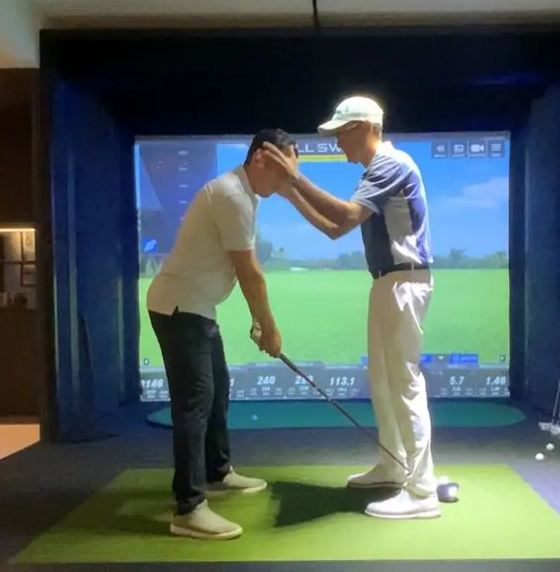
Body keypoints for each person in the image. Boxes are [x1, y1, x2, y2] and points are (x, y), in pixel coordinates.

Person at [261, 96, 440, 520]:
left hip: (404, 281)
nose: (338, 140)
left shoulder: (391, 164)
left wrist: (294, 178)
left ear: (364, 127)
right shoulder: (373, 171)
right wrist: (290, 191)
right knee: (381, 379)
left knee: (404, 383)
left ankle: (422, 491)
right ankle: (393, 465)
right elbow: (335, 229)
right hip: (387, 282)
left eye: (342, 132)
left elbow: (343, 213)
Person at [145, 128, 297, 540]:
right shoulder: (232, 195)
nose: (285, 183)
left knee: (218, 390)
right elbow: (251, 274)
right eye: (282, 172)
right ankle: (189, 507)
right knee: (195, 401)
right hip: (179, 306)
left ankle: (217, 471)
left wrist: (257, 318)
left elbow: (236, 269)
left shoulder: (245, 193)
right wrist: (269, 326)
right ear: (261, 160)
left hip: (198, 306)